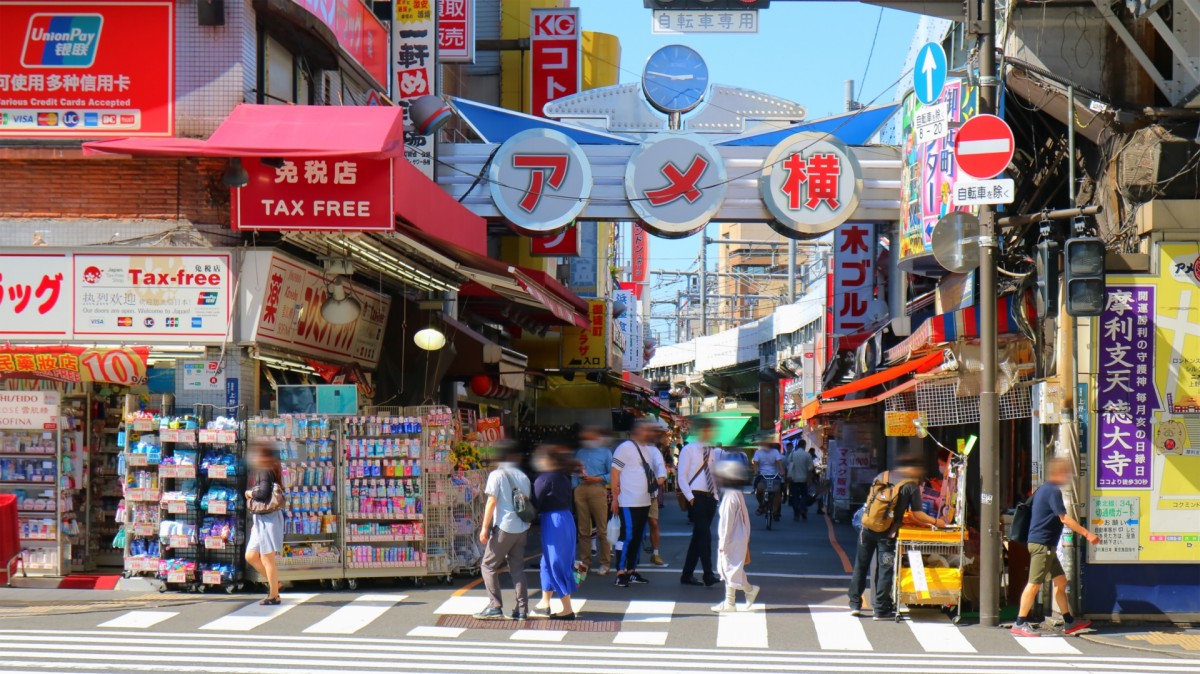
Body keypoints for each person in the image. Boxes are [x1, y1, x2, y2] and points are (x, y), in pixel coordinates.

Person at [847, 449, 945, 620]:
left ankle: (855, 604)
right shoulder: (911, 486)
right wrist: (938, 522)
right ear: (915, 469)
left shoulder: (882, 476)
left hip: (867, 527)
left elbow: (870, 500)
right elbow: (918, 515)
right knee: (885, 569)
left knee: (861, 565)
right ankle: (881, 609)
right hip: (888, 533)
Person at [1011, 458, 1099, 637]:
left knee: (1061, 582)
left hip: (1045, 545)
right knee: (1034, 585)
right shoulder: (1053, 491)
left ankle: (1069, 621)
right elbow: (1064, 518)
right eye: (1066, 473)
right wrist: (1087, 534)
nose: (1068, 477)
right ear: (1059, 473)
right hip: (1043, 546)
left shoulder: (1043, 489)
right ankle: (1019, 623)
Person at [476, 442, 532, 621]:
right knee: (517, 568)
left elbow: (491, 502)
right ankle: (522, 609)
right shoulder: (523, 476)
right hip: (521, 527)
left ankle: (495, 605)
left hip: (504, 527)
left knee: (488, 565)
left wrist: (484, 528)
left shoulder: (496, 475)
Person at [531, 445, 579, 620]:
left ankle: (567, 609)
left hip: (553, 521)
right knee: (548, 561)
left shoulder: (544, 478)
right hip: (566, 518)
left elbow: (535, 503)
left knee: (556, 562)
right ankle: (545, 602)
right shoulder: (563, 476)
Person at [610, 420, 658, 588]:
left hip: (644, 500)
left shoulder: (646, 450)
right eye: (646, 430)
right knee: (627, 536)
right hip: (628, 501)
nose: (649, 433)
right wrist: (614, 498)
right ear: (637, 431)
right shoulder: (624, 448)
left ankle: (631, 571)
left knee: (638, 537)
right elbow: (614, 473)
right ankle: (620, 572)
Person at [710, 459, 760, 612]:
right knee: (733, 569)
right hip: (739, 536)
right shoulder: (736, 493)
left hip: (732, 538)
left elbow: (726, 524)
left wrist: (722, 544)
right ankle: (744, 593)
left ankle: (733, 600)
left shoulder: (730, 497)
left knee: (729, 568)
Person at [678, 417, 720, 587]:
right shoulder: (688, 450)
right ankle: (708, 574)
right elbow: (681, 476)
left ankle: (687, 574)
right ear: (701, 431)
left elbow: (714, 474)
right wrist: (690, 497)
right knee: (705, 535)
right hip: (696, 496)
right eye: (707, 429)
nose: (710, 433)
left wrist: (716, 495)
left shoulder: (712, 450)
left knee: (699, 536)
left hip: (710, 497)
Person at [244, 440, 285, 605]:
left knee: (267, 558)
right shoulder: (271, 468)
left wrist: (248, 493)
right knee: (251, 555)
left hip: (267, 519)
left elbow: (262, 494)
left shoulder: (264, 469)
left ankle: (274, 595)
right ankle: (275, 583)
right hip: (262, 518)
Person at [574, 427, 612, 575]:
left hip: (597, 487)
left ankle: (605, 563)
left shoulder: (606, 452)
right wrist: (575, 487)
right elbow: (574, 471)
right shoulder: (581, 452)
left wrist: (597, 478)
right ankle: (585, 562)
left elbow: (612, 473)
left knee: (602, 528)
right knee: (583, 529)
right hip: (581, 487)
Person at [645, 421, 670, 567]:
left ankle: (655, 553)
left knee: (653, 522)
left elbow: (661, 471)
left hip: (650, 493)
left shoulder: (654, 451)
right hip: (633, 495)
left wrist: (658, 482)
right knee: (633, 526)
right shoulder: (631, 449)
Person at [752, 440, 785, 520]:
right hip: (762, 475)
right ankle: (761, 504)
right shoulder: (758, 452)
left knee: (778, 491)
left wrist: (782, 471)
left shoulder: (775, 452)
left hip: (774, 475)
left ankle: (775, 510)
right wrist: (756, 471)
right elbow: (755, 463)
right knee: (759, 490)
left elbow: (779, 462)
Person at [786, 440, 814, 521]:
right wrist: (810, 479)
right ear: (804, 445)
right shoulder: (807, 455)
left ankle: (796, 514)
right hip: (804, 479)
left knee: (795, 497)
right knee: (804, 496)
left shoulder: (792, 454)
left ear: (797, 445)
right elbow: (810, 468)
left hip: (793, 479)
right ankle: (803, 508)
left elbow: (789, 465)